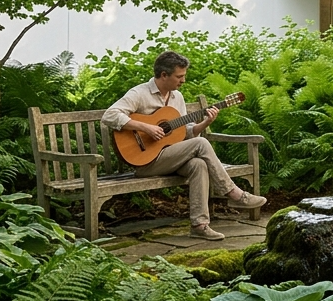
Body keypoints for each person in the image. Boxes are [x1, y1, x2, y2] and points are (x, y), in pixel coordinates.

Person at [101, 51, 266, 240]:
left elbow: (184, 132)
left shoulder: (176, 97)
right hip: (145, 162)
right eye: (179, 76)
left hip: (169, 158)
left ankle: (199, 225)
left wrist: (205, 123)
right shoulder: (139, 93)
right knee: (201, 143)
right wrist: (146, 127)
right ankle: (234, 194)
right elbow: (109, 115)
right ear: (164, 75)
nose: (183, 80)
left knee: (198, 164)